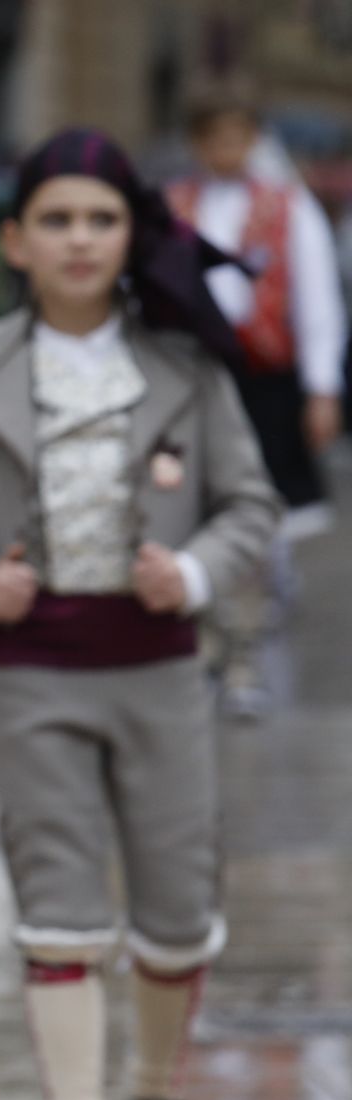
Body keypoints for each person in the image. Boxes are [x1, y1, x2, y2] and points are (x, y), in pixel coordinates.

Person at [0, 129, 279, 1100]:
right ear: (15, 239)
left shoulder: (183, 365)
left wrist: (192, 568)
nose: (78, 239)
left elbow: (249, 502)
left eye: (100, 219)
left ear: (130, 236)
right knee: (57, 906)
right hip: (30, 673)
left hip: (158, 667)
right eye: (55, 219)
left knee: (176, 908)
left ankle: (156, 1092)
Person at [168, 91, 347, 717]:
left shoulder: (288, 207)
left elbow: (317, 298)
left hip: (265, 376)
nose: (226, 151)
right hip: (193, 373)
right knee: (193, 501)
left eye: (237, 137)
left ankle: (247, 642)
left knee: (260, 506)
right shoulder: (176, 207)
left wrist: (322, 386)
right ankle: (207, 640)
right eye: (214, 138)